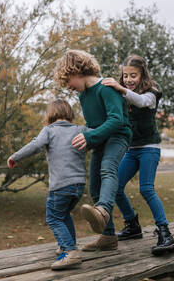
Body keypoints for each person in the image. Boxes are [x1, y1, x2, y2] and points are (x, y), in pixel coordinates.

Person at [101, 54, 174, 255]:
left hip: (149, 149)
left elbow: (142, 102)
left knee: (146, 189)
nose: (128, 79)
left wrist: (120, 88)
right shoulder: (123, 93)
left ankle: (165, 234)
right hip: (132, 149)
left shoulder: (152, 93)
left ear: (142, 73)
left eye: (133, 75)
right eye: (125, 76)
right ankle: (132, 225)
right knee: (115, 186)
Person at [54, 49, 132, 252]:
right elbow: (92, 124)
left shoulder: (106, 87)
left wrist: (91, 136)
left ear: (76, 71)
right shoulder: (84, 96)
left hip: (118, 136)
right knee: (95, 187)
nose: (69, 87)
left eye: (68, 80)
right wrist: (86, 141)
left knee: (108, 168)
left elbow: (116, 120)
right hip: (101, 140)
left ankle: (104, 210)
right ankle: (108, 237)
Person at [7, 99, 88, 270]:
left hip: (61, 186)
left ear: (50, 114)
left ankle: (71, 252)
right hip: (79, 185)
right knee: (64, 214)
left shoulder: (49, 130)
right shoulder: (80, 129)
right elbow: (98, 135)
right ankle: (67, 244)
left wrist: (15, 157)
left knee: (53, 217)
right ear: (69, 113)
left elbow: (35, 145)